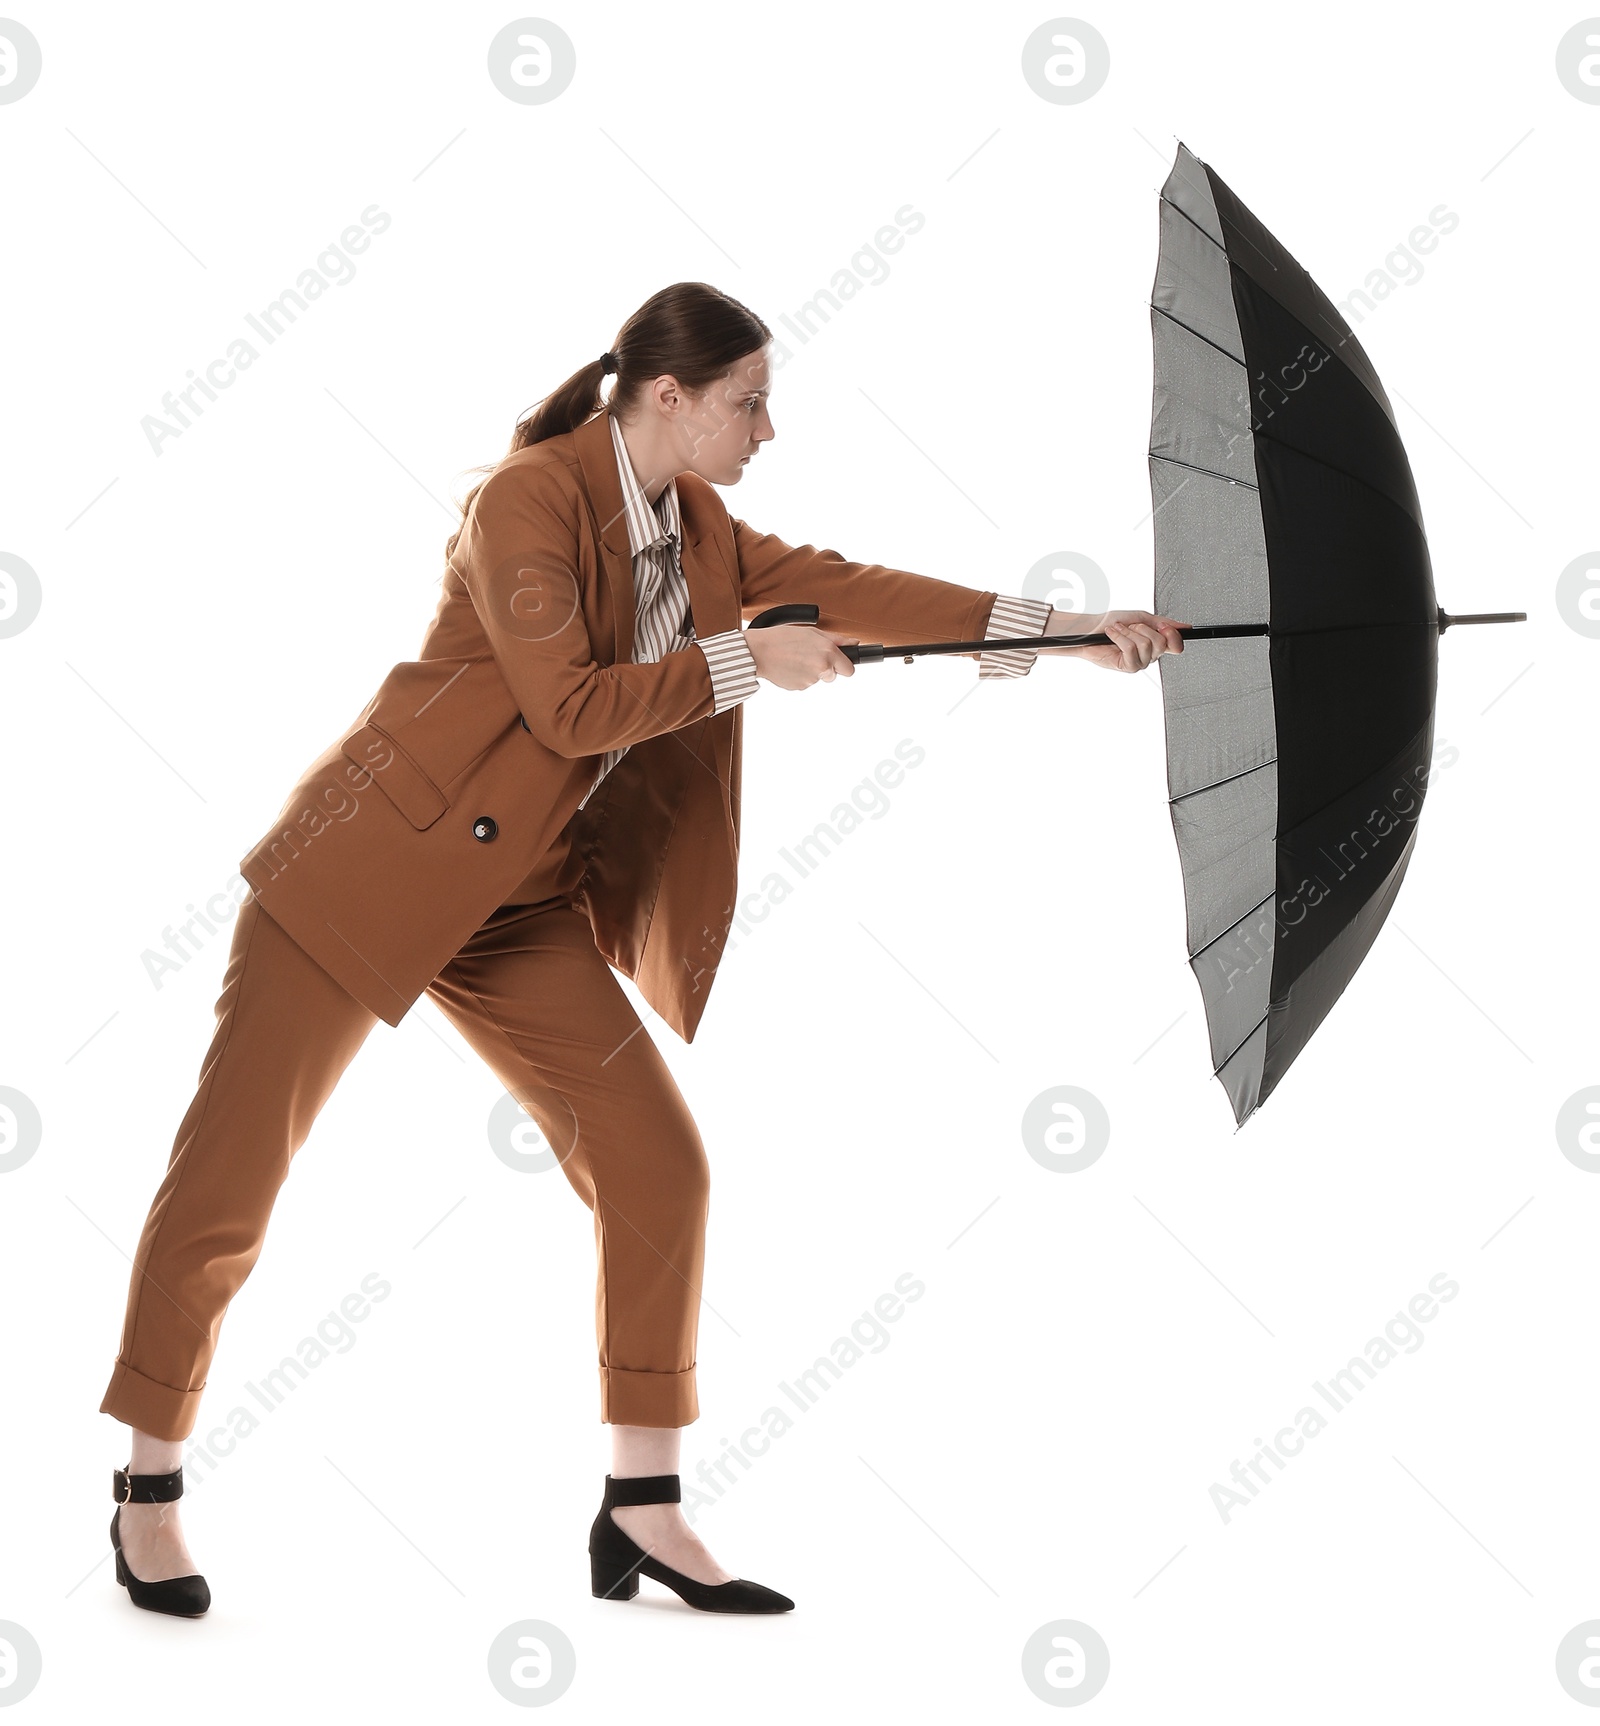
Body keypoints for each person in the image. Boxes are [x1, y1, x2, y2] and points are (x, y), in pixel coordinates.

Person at [99, 280, 1187, 1619]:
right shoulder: (529, 500)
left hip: (518, 901)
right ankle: (147, 1490)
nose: (767, 426)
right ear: (668, 396)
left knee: (658, 1163)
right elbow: (565, 707)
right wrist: (746, 662)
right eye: (749, 400)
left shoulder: (704, 526)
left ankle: (643, 1508)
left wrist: (1067, 633)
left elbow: (854, 588)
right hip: (367, 868)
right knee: (229, 1182)